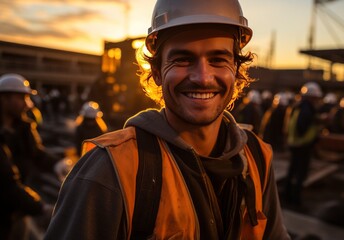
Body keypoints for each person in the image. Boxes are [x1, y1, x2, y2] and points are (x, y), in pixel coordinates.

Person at [45, 0, 290, 239]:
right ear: (157, 72)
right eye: (183, 59)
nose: (202, 77)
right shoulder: (109, 172)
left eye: (218, 59)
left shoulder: (257, 156)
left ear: (236, 71)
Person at [0, 73, 70, 190]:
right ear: (4, 98)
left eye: (27, 98)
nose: (27, 104)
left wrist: (57, 163)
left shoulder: (24, 127)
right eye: (21, 98)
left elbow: (36, 153)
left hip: (21, 191)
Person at [283, 82, 323, 206]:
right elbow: (302, 126)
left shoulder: (298, 106)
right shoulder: (307, 108)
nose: (317, 100)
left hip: (295, 144)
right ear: (312, 96)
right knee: (300, 174)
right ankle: (295, 200)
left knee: (292, 171)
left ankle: (287, 196)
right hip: (303, 145)